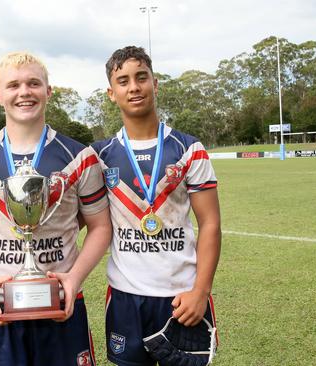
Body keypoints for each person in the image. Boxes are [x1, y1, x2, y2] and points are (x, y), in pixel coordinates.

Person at [0, 52, 112, 366]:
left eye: (33, 83)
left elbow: (101, 226)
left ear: (48, 91)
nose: (24, 92)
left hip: (61, 302)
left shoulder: (79, 157)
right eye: (13, 85)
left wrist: (74, 279)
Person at [91, 46, 221, 365]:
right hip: (124, 296)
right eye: (123, 81)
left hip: (183, 295)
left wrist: (201, 291)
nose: (133, 87)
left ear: (155, 83)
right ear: (111, 92)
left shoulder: (189, 150)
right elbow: (83, 223)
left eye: (141, 77)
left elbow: (211, 224)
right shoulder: (98, 156)